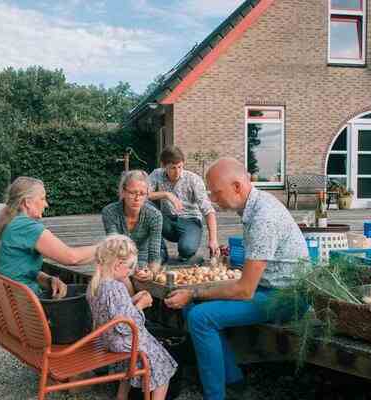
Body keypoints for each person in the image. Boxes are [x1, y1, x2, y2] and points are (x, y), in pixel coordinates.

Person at [164, 158, 308, 400]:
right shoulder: (253, 206)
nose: (212, 199)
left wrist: (195, 291)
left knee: (201, 317)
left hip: (287, 298)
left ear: (237, 186)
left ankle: (215, 396)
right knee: (191, 308)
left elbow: (244, 291)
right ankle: (234, 380)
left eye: (216, 192)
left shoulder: (264, 216)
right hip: (267, 288)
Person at [0, 177, 129, 298]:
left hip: (13, 305)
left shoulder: (10, 223)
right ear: (27, 202)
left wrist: (48, 279)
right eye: (42, 198)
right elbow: (72, 258)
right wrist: (109, 246)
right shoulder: (26, 227)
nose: (46, 204)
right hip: (27, 308)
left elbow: (17, 271)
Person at [87, 234, 177, 400]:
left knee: (130, 363)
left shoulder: (97, 284)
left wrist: (133, 300)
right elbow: (124, 325)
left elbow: (114, 312)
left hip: (108, 339)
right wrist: (141, 305)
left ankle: (121, 397)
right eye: (129, 267)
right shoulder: (116, 288)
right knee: (163, 364)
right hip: (123, 340)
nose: (130, 272)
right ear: (117, 265)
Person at [147, 145, 219, 263]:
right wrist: (166, 194)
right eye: (173, 168)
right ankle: (160, 252)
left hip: (190, 220)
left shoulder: (193, 180)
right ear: (164, 166)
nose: (177, 172)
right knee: (145, 207)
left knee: (186, 249)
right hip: (167, 221)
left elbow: (208, 210)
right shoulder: (157, 174)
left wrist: (213, 239)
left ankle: (187, 252)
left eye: (180, 167)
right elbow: (142, 194)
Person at [101, 170, 163, 274]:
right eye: (132, 192)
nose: (137, 198)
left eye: (142, 194)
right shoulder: (109, 212)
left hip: (144, 259)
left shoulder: (155, 216)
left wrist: (151, 273)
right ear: (123, 192)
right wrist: (131, 269)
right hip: (119, 259)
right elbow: (115, 247)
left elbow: (154, 254)